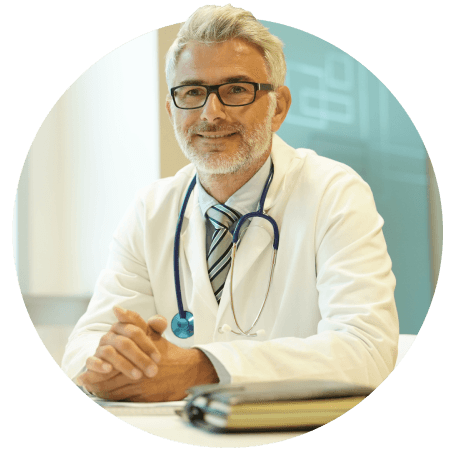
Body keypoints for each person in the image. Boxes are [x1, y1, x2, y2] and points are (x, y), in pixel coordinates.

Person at [63, 4, 399, 402]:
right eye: (192, 92)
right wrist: (109, 364)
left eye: (236, 89)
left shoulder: (334, 193)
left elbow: (367, 350)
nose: (211, 113)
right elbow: (86, 343)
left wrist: (201, 368)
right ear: (172, 111)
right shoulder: (151, 209)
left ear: (279, 107)